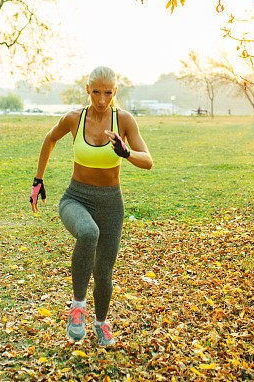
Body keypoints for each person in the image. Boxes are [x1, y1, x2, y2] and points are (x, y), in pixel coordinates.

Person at [30, 66, 153, 347]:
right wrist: (38, 179)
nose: (101, 99)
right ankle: (77, 308)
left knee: (104, 273)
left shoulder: (124, 120)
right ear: (87, 89)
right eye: (95, 92)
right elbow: (50, 139)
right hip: (76, 198)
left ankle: (101, 323)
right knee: (87, 233)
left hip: (111, 204)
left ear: (115, 92)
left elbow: (147, 160)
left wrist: (126, 152)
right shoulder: (75, 118)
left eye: (107, 93)